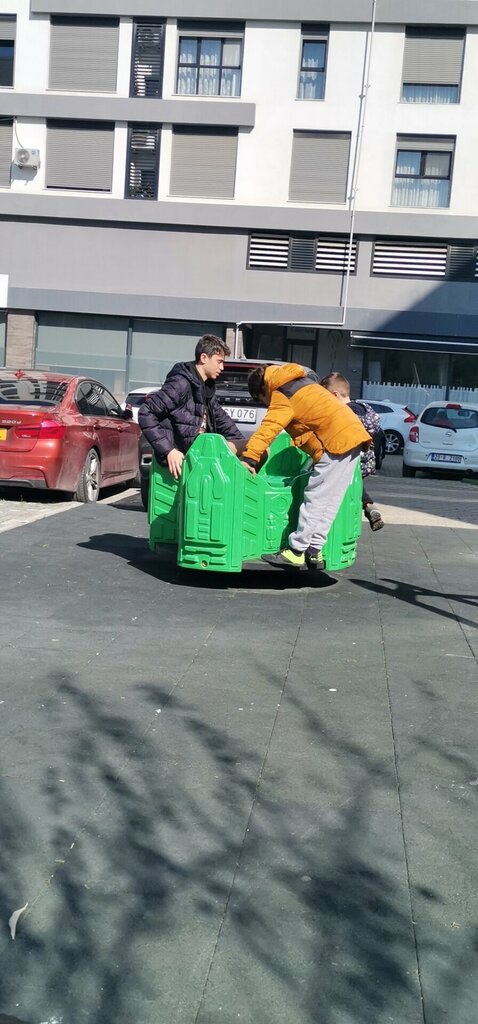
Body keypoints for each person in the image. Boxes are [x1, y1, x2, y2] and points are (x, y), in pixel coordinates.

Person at [240, 363, 372, 570]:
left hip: (337, 440)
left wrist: (249, 458)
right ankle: (314, 550)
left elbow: (269, 428)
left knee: (316, 496)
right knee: (331, 499)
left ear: (262, 390)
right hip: (353, 434)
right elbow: (311, 427)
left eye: (261, 401)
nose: (265, 405)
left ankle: (296, 551)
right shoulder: (300, 383)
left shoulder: (282, 393)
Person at [138, 335, 246, 479]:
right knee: (249, 446)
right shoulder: (181, 383)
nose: (222, 367)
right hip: (190, 456)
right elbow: (146, 412)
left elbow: (224, 423)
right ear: (204, 358)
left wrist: (244, 457)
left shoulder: (206, 387)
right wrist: (169, 451)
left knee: (252, 447)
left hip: (202, 453)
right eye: (219, 362)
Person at [320, 372, 384, 532]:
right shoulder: (363, 409)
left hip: (350, 457)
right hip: (366, 459)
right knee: (354, 484)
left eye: (326, 398)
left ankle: (335, 528)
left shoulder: (344, 413)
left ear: (334, 395)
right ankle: (369, 506)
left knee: (340, 490)